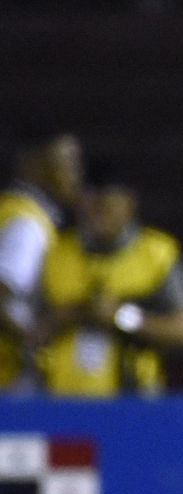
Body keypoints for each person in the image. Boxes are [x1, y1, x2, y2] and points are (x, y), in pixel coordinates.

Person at [38, 169, 183, 397]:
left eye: (104, 207)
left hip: (132, 400)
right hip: (60, 398)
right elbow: (30, 330)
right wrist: (75, 313)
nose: (94, 215)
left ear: (128, 204)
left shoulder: (156, 254)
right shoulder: (56, 252)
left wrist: (121, 317)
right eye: (88, 206)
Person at [0, 130, 83, 391]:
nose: (76, 174)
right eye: (68, 163)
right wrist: (33, 340)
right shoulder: (27, 223)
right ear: (34, 165)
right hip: (8, 376)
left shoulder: (10, 207)